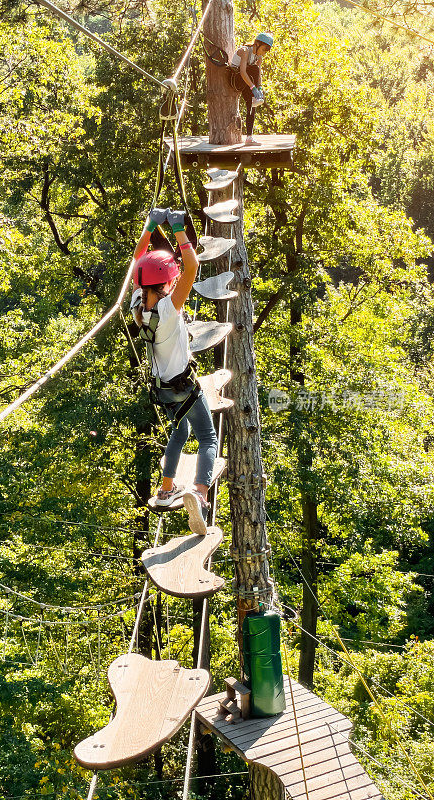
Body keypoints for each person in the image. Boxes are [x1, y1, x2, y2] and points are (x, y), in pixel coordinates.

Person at [130, 207, 218, 536]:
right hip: (185, 387)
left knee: (179, 434)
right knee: (208, 438)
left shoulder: (138, 305)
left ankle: (165, 489)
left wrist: (150, 226)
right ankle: (200, 494)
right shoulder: (168, 308)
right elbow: (192, 267)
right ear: (167, 283)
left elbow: (138, 263)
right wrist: (179, 230)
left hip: (162, 389)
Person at [231, 31, 274, 146]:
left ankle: (249, 137)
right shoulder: (245, 51)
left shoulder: (258, 56)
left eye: (267, 51)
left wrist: (259, 88)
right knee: (254, 69)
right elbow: (243, 72)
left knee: (252, 103)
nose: (265, 53)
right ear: (257, 44)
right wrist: (253, 87)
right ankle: (254, 94)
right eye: (264, 49)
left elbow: (258, 74)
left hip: (246, 81)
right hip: (235, 79)